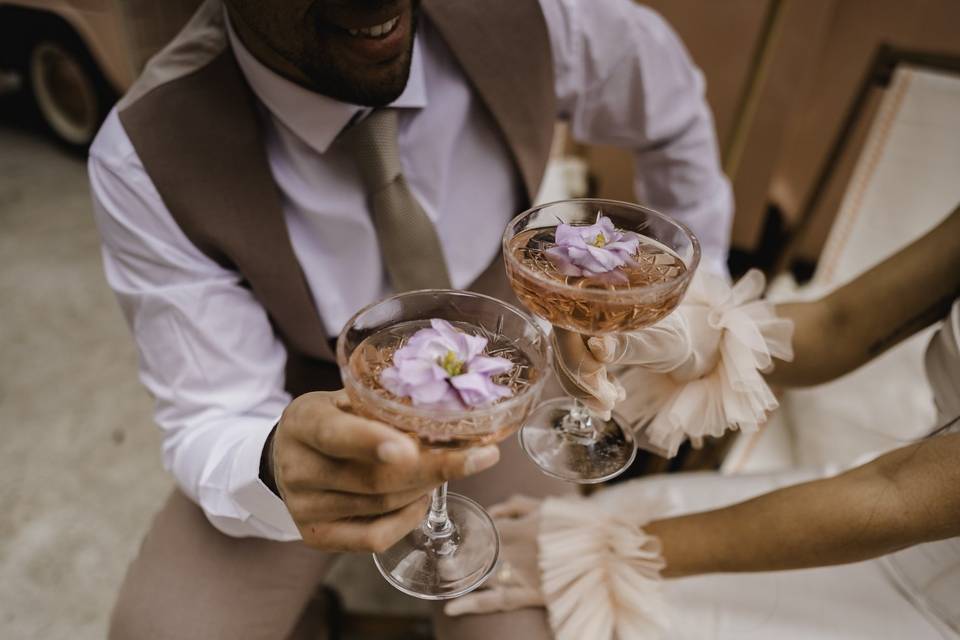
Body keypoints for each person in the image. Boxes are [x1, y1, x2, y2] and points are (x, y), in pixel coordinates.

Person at [89, 0, 732, 637]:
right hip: (295, 392)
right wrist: (275, 467)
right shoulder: (143, 153)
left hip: (498, 372)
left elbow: (667, 107)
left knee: (528, 627)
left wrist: (690, 300)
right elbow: (210, 411)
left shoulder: (537, 16)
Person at [445, 205, 960, 639]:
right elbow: (837, 325)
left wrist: (612, 552)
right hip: (856, 497)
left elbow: (898, 495)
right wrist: (695, 338)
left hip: (898, 561)